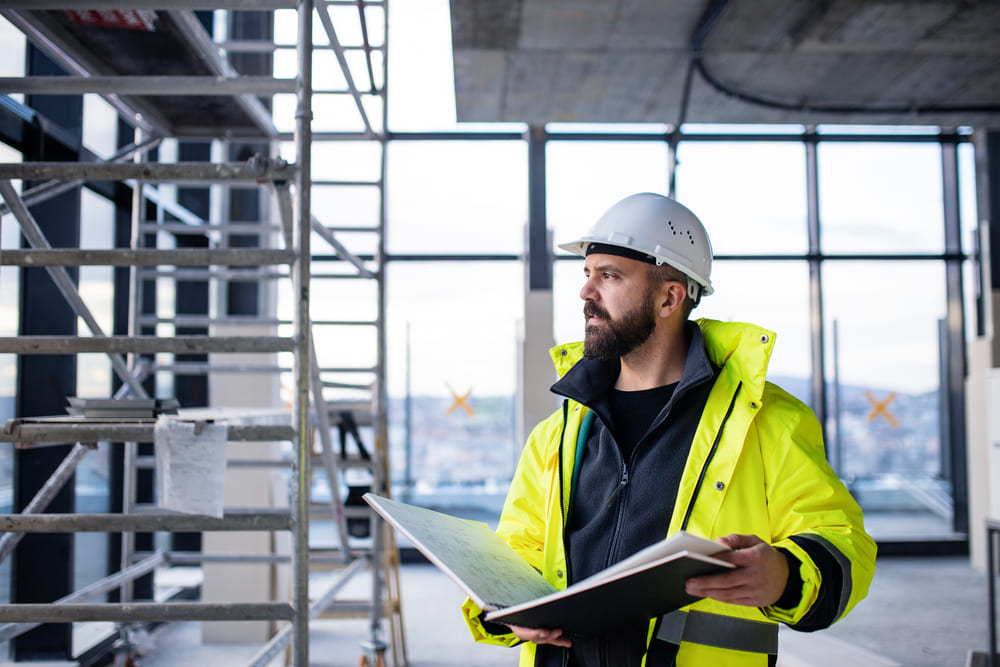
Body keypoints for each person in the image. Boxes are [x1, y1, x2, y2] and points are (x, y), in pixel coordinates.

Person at [460, 193, 877, 666]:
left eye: (609, 276)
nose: (586, 292)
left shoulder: (767, 422)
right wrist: (503, 607)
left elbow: (844, 542)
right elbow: (520, 549)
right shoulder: (556, 434)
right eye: (587, 273)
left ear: (669, 297)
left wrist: (785, 574)